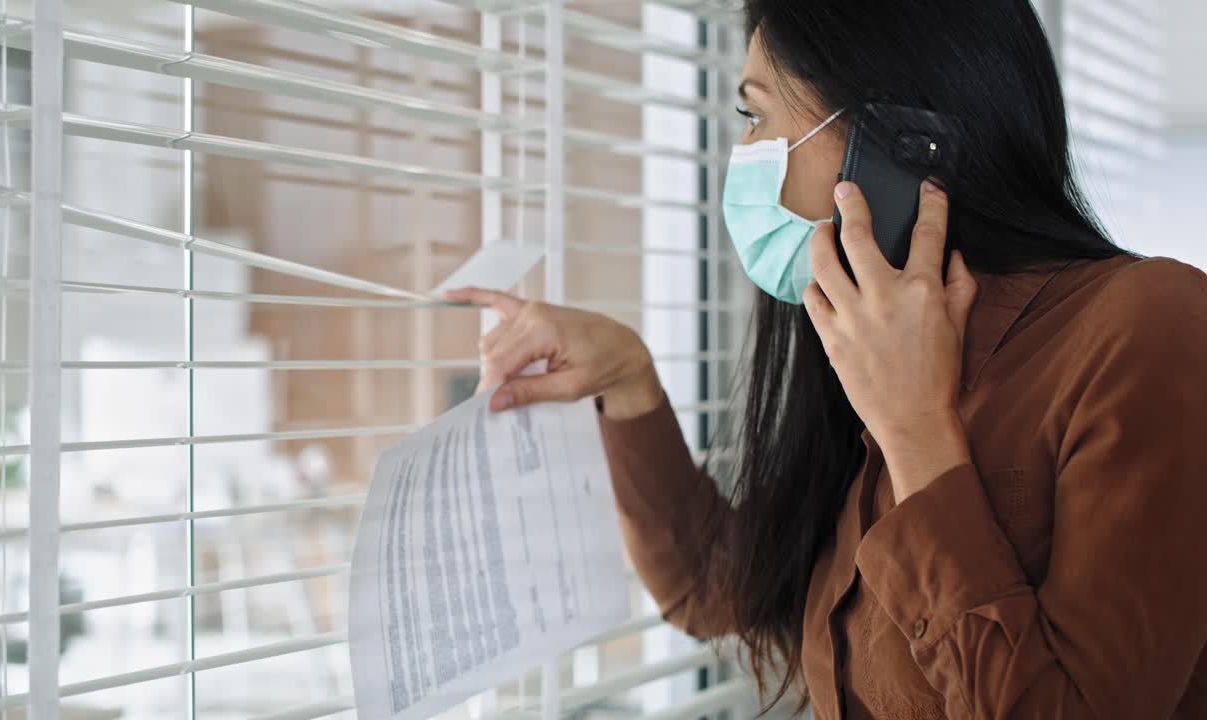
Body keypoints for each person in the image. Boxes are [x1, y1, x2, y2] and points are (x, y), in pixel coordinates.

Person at [446, 1, 1207, 718]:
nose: (742, 156)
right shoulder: (872, 342)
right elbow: (718, 589)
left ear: (899, 144)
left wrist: (917, 435)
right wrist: (627, 378)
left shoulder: (1149, 326)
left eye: (756, 116)